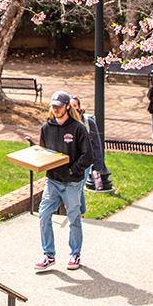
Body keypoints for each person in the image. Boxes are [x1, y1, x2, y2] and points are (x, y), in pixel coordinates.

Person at [35, 91, 91, 272]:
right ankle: (48, 254)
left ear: (67, 106)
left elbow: (87, 156)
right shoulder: (46, 128)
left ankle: (75, 253)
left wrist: (72, 170)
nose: (56, 109)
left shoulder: (78, 128)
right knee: (44, 214)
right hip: (53, 181)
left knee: (73, 217)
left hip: (72, 183)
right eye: (53, 106)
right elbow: (43, 152)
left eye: (59, 106)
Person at [71, 96, 111, 192]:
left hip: (84, 163)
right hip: (71, 163)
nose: (73, 108)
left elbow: (96, 145)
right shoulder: (67, 123)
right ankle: (81, 208)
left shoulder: (88, 123)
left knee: (77, 190)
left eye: (75, 105)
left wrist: (97, 166)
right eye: (70, 106)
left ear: (79, 108)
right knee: (78, 192)